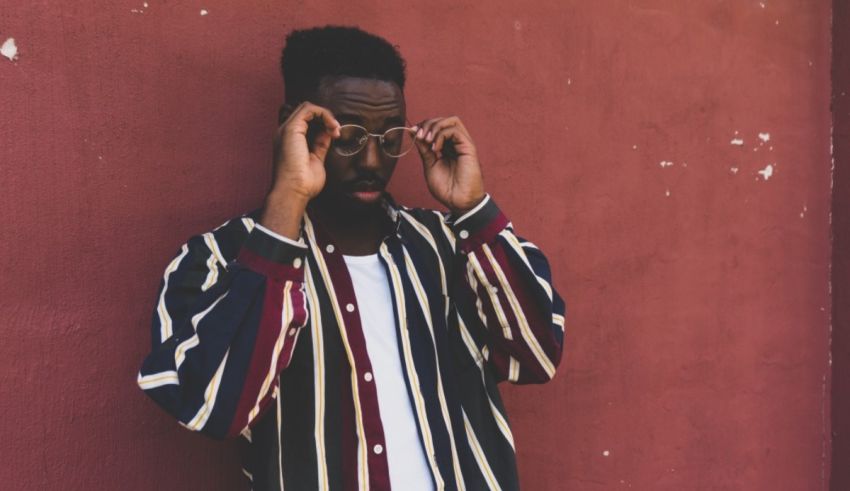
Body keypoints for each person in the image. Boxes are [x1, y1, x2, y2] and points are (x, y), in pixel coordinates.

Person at [137, 25, 566, 491]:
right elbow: (212, 408)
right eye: (350, 136)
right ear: (294, 125)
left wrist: (473, 210)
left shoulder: (451, 244)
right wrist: (288, 201)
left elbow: (538, 354)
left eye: (389, 137)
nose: (372, 161)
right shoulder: (220, 259)